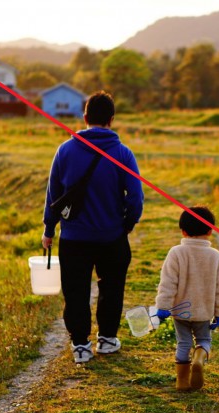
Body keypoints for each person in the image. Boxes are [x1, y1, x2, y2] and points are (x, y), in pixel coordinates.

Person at [42, 91, 144, 363]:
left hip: (74, 238)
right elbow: (135, 198)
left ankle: (80, 346)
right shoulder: (123, 153)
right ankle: (108, 340)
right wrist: (127, 225)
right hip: (112, 236)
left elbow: (53, 196)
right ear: (112, 119)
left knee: (76, 291)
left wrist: (49, 230)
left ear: (84, 117)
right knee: (112, 288)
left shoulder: (65, 150)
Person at [155, 206, 219, 390]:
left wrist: (163, 306)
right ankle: (200, 357)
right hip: (204, 312)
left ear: (183, 231)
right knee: (204, 340)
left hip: (181, 311)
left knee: (183, 343)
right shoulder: (216, 257)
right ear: (210, 231)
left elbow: (168, 282)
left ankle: (181, 381)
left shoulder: (176, 253)